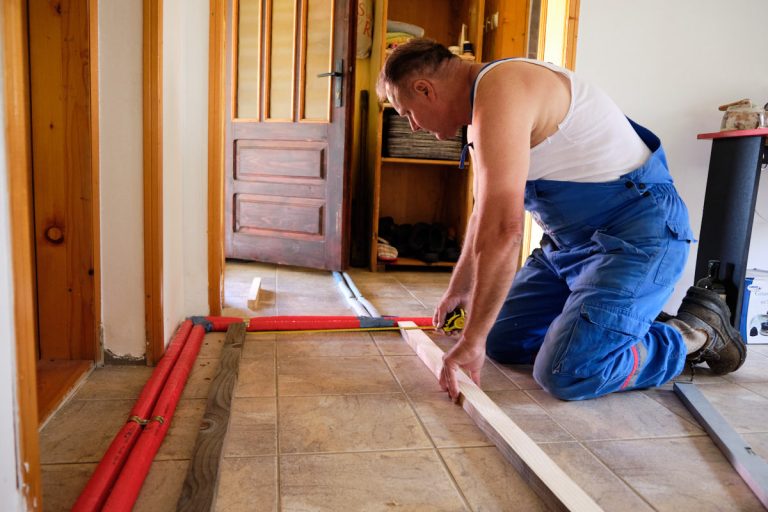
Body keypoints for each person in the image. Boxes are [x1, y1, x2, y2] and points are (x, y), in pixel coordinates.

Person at [376, 38, 747, 401]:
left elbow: (505, 229)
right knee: (504, 339)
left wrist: (471, 341)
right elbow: (482, 214)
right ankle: (615, 324)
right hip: (570, 247)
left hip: (639, 240)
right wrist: (461, 287)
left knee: (568, 372)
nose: (412, 127)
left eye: (406, 112)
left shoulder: (503, 90)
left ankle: (693, 333)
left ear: (425, 89)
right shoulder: (480, 115)